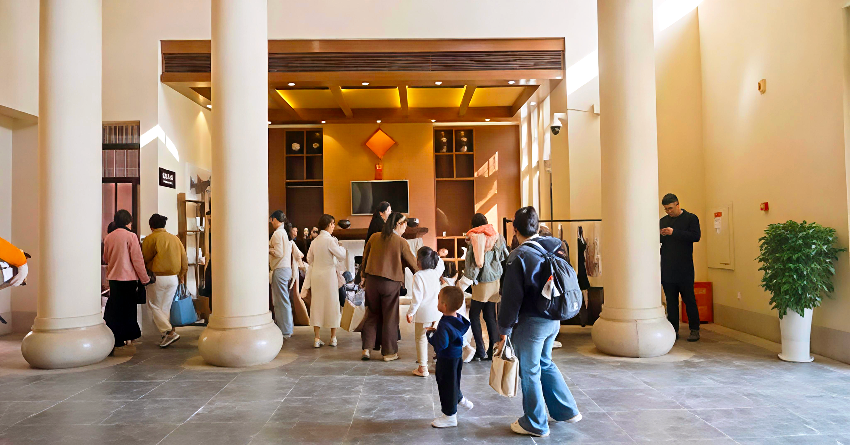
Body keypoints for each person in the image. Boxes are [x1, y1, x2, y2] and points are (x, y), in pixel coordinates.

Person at [497, 206, 581, 438]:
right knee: (545, 363)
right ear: (537, 226)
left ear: (515, 229)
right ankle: (567, 410)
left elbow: (511, 299)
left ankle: (535, 423)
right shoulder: (553, 247)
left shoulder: (519, 256)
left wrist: (503, 330)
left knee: (530, 370)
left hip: (531, 324)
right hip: (553, 318)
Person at [360, 212, 417, 361]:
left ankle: (366, 348)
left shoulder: (374, 237)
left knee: (371, 314)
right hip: (390, 284)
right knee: (390, 317)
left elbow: (364, 259)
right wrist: (425, 277)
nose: (406, 227)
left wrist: (363, 277)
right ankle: (389, 352)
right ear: (399, 224)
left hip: (372, 282)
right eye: (405, 224)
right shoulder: (401, 242)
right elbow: (413, 264)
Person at [457, 213, 508, 361]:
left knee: (474, 315)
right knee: (490, 315)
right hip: (495, 281)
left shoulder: (475, 237)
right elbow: (504, 255)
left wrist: (463, 283)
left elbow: (473, 265)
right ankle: (493, 351)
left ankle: (480, 351)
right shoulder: (497, 236)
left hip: (482, 282)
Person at [102, 210, 149, 351]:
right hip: (128, 279)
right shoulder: (131, 236)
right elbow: (137, 260)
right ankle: (128, 336)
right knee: (128, 309)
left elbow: (106, 258)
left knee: (116, 309)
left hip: (114, 278)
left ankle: (116, 338)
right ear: (128, 222)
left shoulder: (109, 237)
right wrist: (144, 279)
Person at [427, 286, 473, 428]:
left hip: (446, 359)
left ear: (444, 305)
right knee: (453, 381)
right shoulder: (457, 319)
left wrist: (430, 335)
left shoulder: (444, 324)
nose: (437, 302)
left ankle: (450, 416)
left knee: (446, 386)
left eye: (438, 299)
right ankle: (459, 398)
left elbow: (441, 344)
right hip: (456, 357)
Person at [141, 213, 188, 348]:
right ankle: (165, 336)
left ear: (151, 226)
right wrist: (181, 276)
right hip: (173, 278)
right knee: (165, 307)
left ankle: (169, 331)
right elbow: (184, 260)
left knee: (153, 305)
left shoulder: (150, 239)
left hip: (158, 277)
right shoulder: (175, 239)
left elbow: (144, 258)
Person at [660, 193, 702, 342]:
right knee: (671, 302)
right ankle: (673, 330)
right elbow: (657, 240)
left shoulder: (691, 218)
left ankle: (694, 330)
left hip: (684, 268)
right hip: (668, 267)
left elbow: (695, 236)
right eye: (666, 209)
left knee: (689, 299)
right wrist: (661, 234)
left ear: (678, 204)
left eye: (670, 208)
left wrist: (674, 232)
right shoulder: (663, 221)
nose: (668, 211)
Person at [306, 214, 347, 348]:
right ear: (329, 224)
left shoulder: (315, 241)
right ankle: (333, 338)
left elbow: (309, 259)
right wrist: (340, 247)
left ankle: (317, 338)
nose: (334, 226)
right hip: (329, 276)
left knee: (317, 305)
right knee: (332, 304)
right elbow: (342, 255)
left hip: (317, 276)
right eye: (333, 224)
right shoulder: (330, 240)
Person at [406, 246, 445, 377]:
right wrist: (435, 254)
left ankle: (423, 367)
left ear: (420, 261)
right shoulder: (436, 272)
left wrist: (410, 313)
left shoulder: (418, 276)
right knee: (437, 338)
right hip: (437, 312)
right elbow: (441, 263)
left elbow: (417, 299)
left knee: (421, 338)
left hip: (424, 314)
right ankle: (441, 364)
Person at [269, 210, 294, 339]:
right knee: (283, 300)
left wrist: (267, 249)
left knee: (281, 301)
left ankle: (285, 330)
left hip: (280, 270)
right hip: (284, 269)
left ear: (274, 219)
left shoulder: (278, 234)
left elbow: (278, 253)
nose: (271, 223)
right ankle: (286, 328)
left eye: (271, 220)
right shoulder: (283, 232)